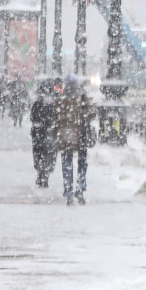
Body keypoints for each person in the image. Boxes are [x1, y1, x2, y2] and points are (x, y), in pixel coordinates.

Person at [55, 76, 96, 205]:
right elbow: (93, 113)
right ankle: (80, 186)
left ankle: (68, 190)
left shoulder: (61, 100)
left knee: (67, 162)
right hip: (80, 135)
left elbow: (54, 116)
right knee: (82, 161)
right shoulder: (82, 99)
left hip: (65, 135)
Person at [29, 76, 60, 187]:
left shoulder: (37, 103)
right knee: (49, 153)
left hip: (38, 133)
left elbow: (32, 118)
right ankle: (45, 174)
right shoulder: (54, 103)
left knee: (38, 153)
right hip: (50, 132)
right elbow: (57, 117)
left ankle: (40, 173)